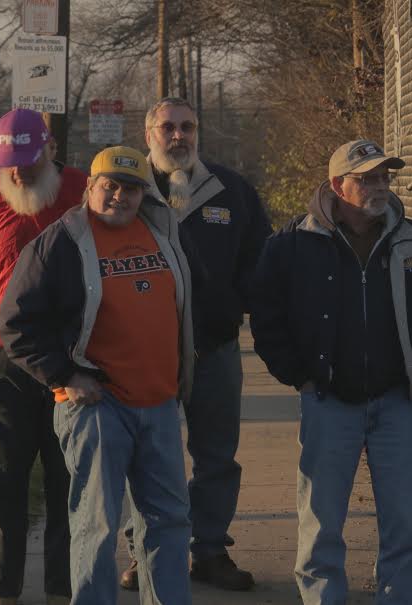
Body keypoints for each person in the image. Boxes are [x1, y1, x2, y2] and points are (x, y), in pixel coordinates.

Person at [0, 146, 194, 605]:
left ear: (144, 194)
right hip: (98, 406)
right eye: (110, 185)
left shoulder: (162, 231)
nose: (119, 196)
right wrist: (65, 374)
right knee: (96, 524)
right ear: (90, 187)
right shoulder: (60, 242)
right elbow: (14, 323)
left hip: (160, 403)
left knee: (168, 520)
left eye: (130, 188)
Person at [250, 139, 412, 604]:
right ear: (338, 186)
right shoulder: (291, 244)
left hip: (397, 400)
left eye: (385, 176)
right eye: (368, 178)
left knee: (403, 518)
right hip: (328, 400)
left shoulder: (406, 239)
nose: (380, 186)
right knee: (321, 520)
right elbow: (266, 314)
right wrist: (299, 374)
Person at [120, 97, 271, 593]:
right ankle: (147, 552)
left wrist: (237, 305)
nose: (178, 136)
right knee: (147, 456)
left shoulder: (232, 191)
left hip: (215, 347)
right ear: (149, 134)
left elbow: (260, 261)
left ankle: (209, 551)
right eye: (168, 127)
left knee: (216, 456)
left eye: (187, 127)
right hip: (145, 352)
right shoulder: (126, 190)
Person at [0, 108, 87, 605]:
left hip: (71, 362)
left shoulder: (82, 191)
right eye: (8, 162)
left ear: (51, 150)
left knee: (69, 484)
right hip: (5, 364)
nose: (17, 172)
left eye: (29, 161)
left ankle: (64, 590)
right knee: (2, 483)